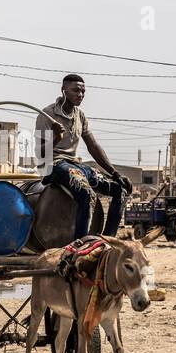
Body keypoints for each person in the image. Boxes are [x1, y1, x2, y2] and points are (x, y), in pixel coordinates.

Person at [36, 74, 132, 240]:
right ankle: (80, 247)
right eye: (75, 90)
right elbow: (40, 153)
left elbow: (93, 147)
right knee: (87, 194)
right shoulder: (46, 115)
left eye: (83, 91)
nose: (80, 94)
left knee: (120, 190)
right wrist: (56, 138)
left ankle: (108, 241)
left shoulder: (80, 115)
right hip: (54, 165)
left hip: (75, 165)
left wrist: (115, 173)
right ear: (63, 90)